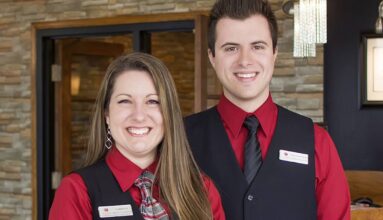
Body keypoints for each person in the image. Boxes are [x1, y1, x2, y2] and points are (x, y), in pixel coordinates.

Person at [184, 0, 351, 219]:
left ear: (274, 53)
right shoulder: (181, 139)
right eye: (231, 48)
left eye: (257, 46)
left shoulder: (316, 141)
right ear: (212, 57)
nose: (245, 61)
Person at [49, 52, 225, 220]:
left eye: (153, 101)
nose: (139, 116)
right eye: (125, 101)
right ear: (106, 114)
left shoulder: (201, 188)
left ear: (168, 114)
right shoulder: (78, 190)